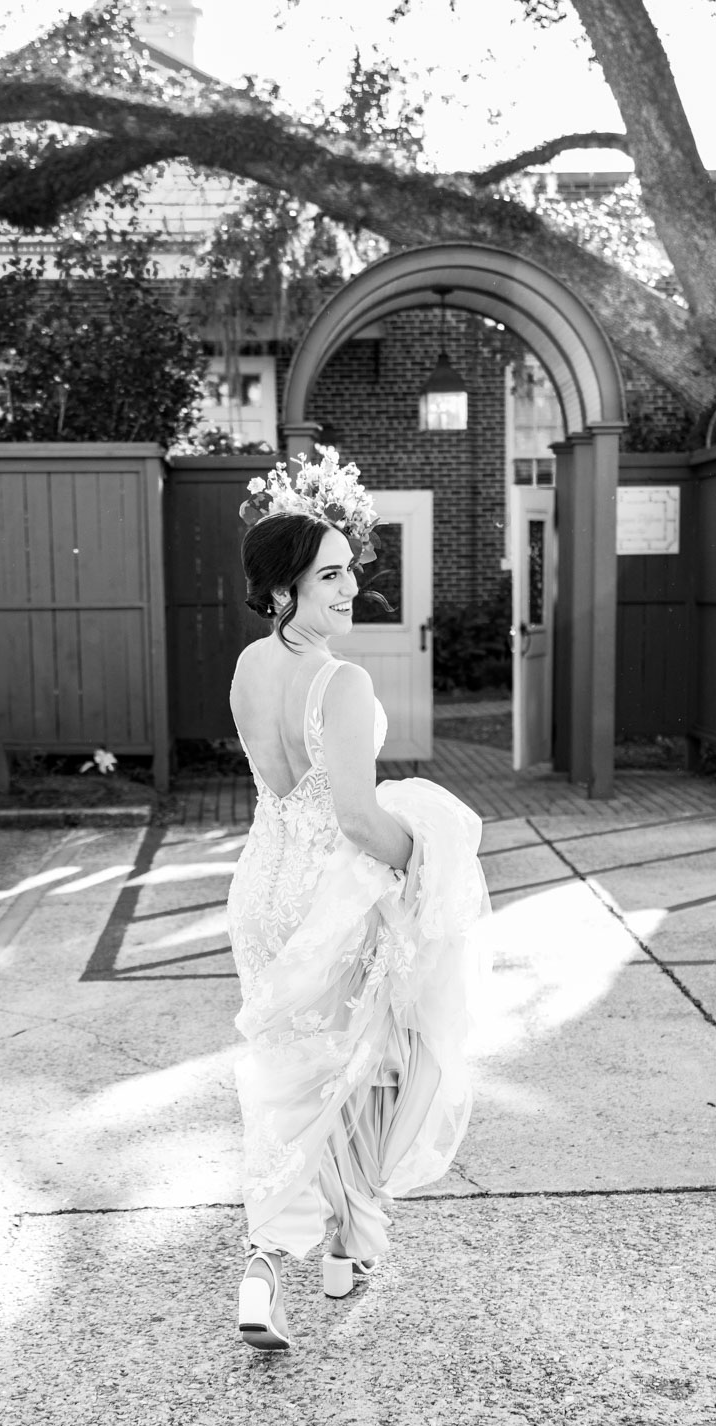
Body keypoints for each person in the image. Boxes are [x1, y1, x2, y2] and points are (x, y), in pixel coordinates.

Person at [227, 469, 489, 1353]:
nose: (349, 588)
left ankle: (333, 1253)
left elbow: (280, 792)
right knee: (371, 1066)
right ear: (279, 591)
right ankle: (270, 1261)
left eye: (347, 571)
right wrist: (428, 855)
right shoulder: (339, 684)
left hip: (261, 887)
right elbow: (352, 816)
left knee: (297, 1075)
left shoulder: (250, 665)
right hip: (326, 896)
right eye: (328, 576)